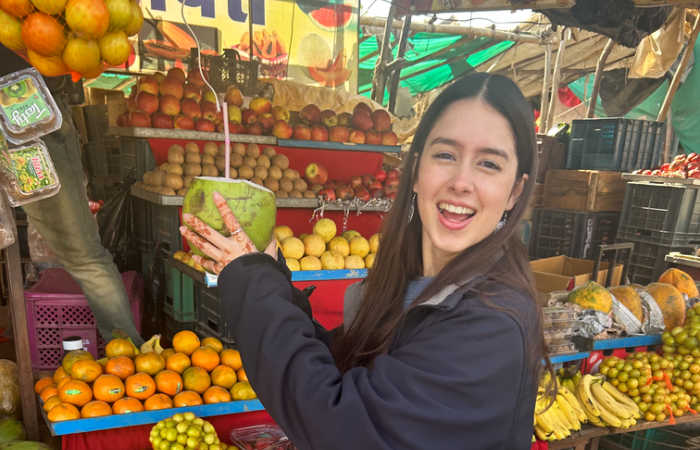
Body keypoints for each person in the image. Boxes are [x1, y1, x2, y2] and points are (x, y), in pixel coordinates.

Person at [180, 73, 551, 449]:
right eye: (446, 155)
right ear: (417, 170)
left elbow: (341, 423)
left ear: (514, 191)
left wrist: (251, 281)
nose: (461, 181)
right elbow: (341, 371)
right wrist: (272, 279)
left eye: (488, 164)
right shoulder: (405, 283)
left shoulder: (493, 324)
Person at [0, 44, 143, 345]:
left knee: (85, 257)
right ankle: (129, 360)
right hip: (28, 109)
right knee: (86, 258)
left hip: (24, 112)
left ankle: (128, 359)